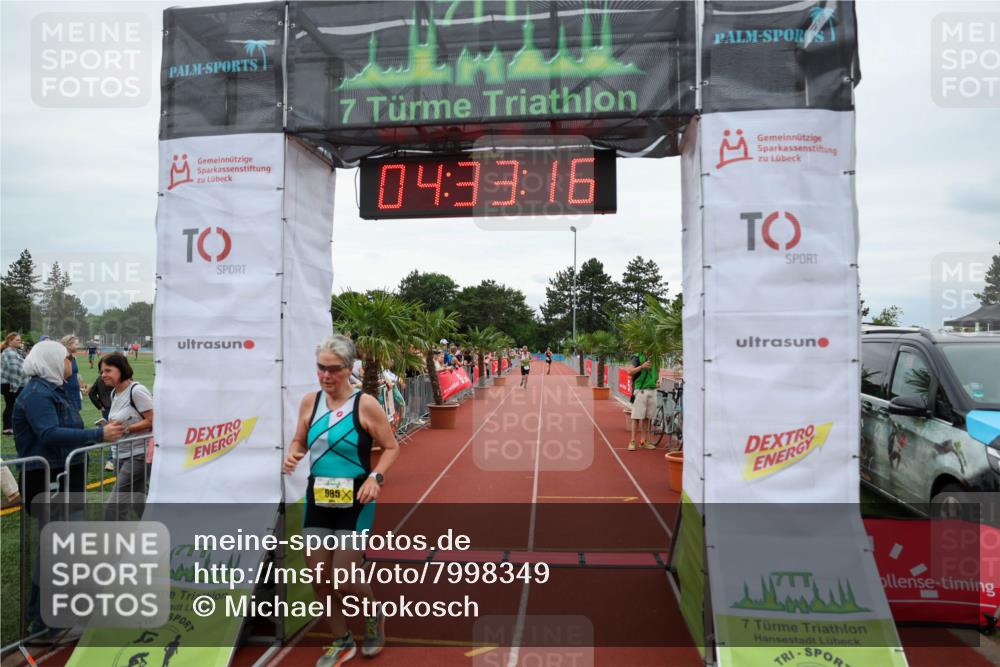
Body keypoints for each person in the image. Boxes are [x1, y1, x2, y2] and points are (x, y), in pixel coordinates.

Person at [283, 335, 400, 666]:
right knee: (319, 578)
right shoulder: (311, 402)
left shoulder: (365, 405)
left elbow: (391, 447)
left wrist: (376, 478)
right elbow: (299, 441)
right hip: (318, 497)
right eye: (321, 368)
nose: (325, 376)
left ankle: (374, 614)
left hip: (357, 499)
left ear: (349, 369)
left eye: (333, 370)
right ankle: (342, 639)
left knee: (345, 576)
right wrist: (294, 455)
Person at [13, 340, 126, 635]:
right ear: (51, 361)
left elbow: (67, 429)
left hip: (63, 478)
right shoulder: (38, 394)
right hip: (48, 480)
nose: (70, 363)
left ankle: (44, 620)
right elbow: (49, 434)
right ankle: (48, 622)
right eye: (66, 358)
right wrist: (98, 434)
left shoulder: (54, 390)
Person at [99, 353, 154, 519]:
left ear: (121, 370)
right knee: (139, 501)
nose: (103, 375)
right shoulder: (114, 393)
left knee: (115, 507)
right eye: (101, 371)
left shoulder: (136, 391)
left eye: (108, 370)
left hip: (138, 455)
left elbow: (153, 420)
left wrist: (127, 429)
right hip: (120, 454)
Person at [627, 352, 660, 451]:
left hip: (652, 390)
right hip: (641, 390)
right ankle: (632, 441)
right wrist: (642, 366)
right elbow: (630, 371)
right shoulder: (637, 356)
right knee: (636, 417)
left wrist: (657, 380)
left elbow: (657, 370)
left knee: (647, 417)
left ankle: (643, 441)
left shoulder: (655, 356)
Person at [2, 332, 28, 434]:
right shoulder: (10, 353)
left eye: (20, 340)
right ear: (10, 341)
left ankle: (8, 428)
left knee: (10, 405)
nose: (19, 341)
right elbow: (15, 370)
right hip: (11, 384)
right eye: (17, 340)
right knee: (12, 406)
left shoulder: (15, 351)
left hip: (10, 383)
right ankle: (9, 428)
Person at [60, 336, 86, 414]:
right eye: (76, 344)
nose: (78, 346)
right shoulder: (63, 358)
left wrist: (81, 384)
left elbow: (75, 374)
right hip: (67, 392)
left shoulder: (72, 357)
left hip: (75, 391)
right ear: (68, 345)